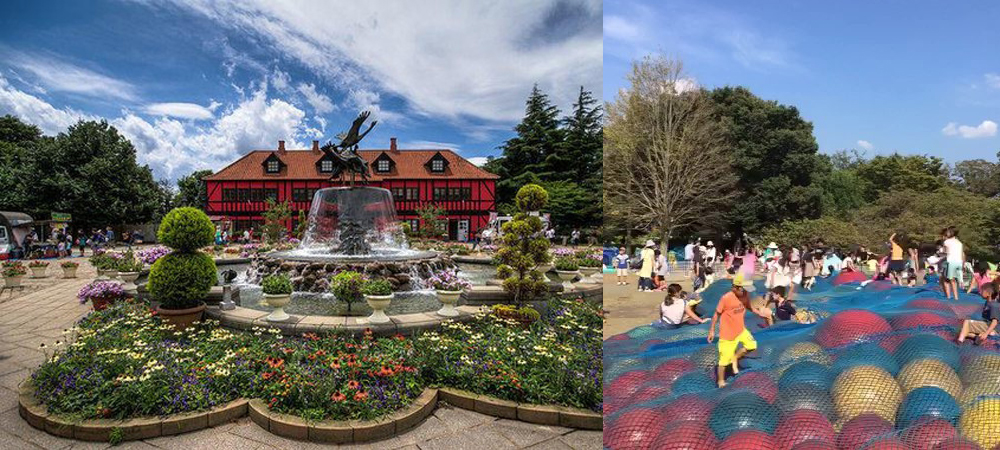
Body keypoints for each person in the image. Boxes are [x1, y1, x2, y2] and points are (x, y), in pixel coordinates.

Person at [708, 273, 757, 388]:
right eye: (743, 289)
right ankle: (720, 381)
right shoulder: (726, 298)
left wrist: (758, 312)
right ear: (735, 288)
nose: (745, 292)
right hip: (727, 334)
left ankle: (735, 357)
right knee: (724, 361)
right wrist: (711, 330)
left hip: (741, 329)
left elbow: (748, 305)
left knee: (752, 346)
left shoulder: (745, 294)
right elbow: (716, 315)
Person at [942, 226, 964, 301]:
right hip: (959, 262)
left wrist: (939, 252)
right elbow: (961, 254)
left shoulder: (947, 241)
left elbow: (945, 252)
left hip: (951, 262)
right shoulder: (959, 243)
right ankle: (956, 297)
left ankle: (949, 297)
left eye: (947, 232)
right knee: (954, 280)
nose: (946, 233)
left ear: (951, 233)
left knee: (946, 280)